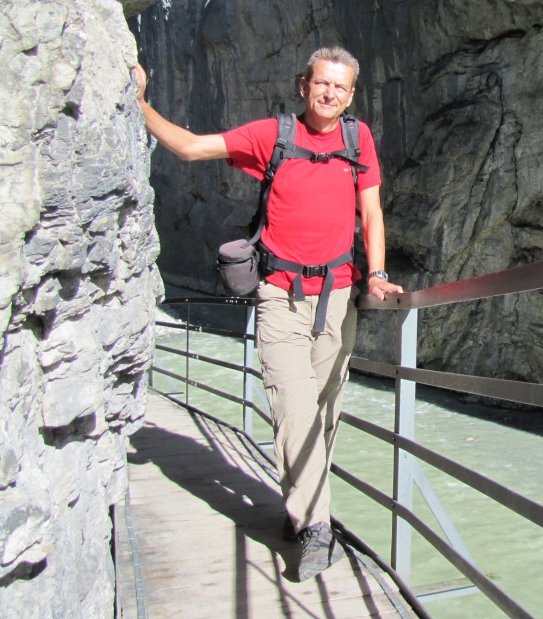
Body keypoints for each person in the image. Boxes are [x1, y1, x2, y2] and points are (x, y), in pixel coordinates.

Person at [133, 47, 403, 581]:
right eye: (321, 83)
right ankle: (316, 527)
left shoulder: (358, 139)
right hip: (280, 297)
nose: (329, 93)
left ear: (351, 95)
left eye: (340, 87)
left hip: (338, 298)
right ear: (304, 85)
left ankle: (300, 505)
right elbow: (190, 147)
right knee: (294, 411)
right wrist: (139, 102)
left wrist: (375, 273)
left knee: (324, 413)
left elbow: (371, 211)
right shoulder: (271, 136)